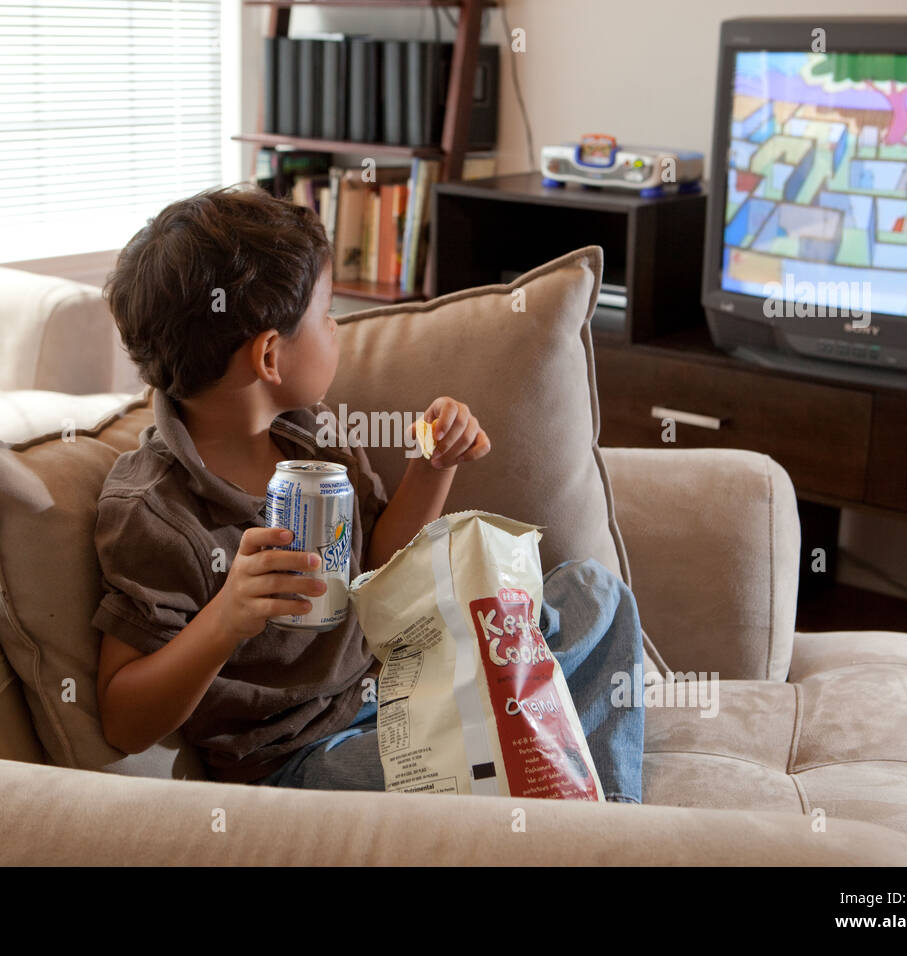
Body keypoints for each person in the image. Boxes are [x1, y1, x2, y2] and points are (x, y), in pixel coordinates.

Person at [91, 183, 644, 802]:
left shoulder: (314, 439)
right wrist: (224, 622)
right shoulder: (155, 511)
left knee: (593, 592)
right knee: (462, 752)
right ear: (270, 356)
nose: (337, 330)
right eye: (327, 316)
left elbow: (380, 567)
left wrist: (431, 466)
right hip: (304, 759)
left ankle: (602, 821)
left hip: (405, 688)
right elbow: (122, 717)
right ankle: (578, 812)